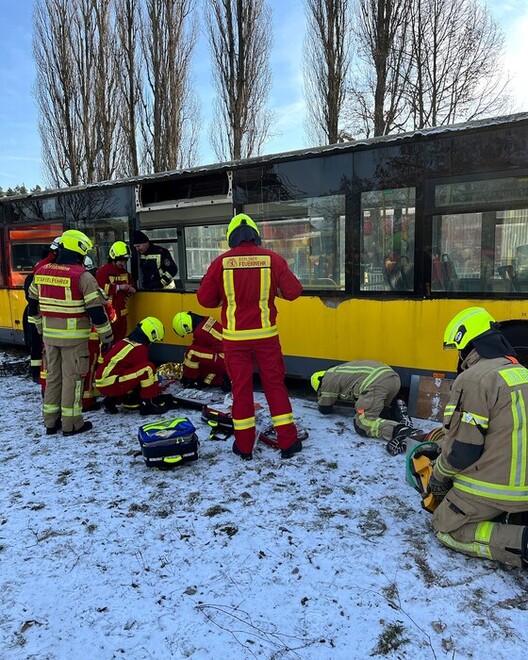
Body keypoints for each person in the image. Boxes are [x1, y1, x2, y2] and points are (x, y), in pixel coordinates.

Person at [426, 306, 528, 567]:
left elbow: (464, 451)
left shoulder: (473, 379)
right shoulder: (522, 373)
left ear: (468, 344)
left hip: (497, 491)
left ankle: (521, 541)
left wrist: (438, 476)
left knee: (445, 526)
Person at [197, 213, 303, 460]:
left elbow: (204, 299)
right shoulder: (273, 259)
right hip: (267, 337)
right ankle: (288, 443)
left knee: (241, 389)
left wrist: (225, 297)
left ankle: (244, 448)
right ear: (255, 235)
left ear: (231, 238)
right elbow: (294, 292)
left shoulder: (220, 263)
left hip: (235, 339)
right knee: (275, 386)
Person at [27, 229, 113, 436]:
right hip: (74, 341)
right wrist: (107, 336)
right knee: (73, 381)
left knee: (53, 378)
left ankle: (50, 422)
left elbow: (32, 305)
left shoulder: (41, 272)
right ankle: (72, 424)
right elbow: (96, 312)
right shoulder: (82, 277)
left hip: (50, 338)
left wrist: (40, 328)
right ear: (80, 251)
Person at [311, 361, 420, 455]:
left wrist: (320, 400)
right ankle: (397, 409)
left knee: (363, 422)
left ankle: (400, 431)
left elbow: (325, 407)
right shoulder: (338, 371)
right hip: (393, 379)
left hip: (376, 384)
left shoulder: (327, 380)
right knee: (380, 413)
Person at [94, 316, 173, 416]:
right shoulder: (139, 349)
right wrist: (154, 394)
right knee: (148, 368)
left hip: (103, 382)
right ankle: (148, 406)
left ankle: (110, 401)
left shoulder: (125, 342)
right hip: (112, 383)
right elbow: (144, 377)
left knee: (125, 373)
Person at [24, 236, 61, 383]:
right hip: (39, 314)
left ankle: (37, 373)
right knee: (39, 346)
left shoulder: (43, 264)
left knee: (38, 346)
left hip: (37, 313)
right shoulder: (45, 266)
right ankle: (37, 374)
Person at [172, 311, 229, 389]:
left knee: (191, 352)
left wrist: (186, 375)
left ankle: (190, 380)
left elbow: (195, 354)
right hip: (229, 356)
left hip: (225, 360)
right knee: (205, 374)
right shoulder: (207, 319)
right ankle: (223, 378)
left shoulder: (199, 333)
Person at [96, 241, 136, 343]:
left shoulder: (125, 273)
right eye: (121, 260)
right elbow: (99, 289)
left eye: (124, 261)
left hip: (122, 315)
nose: (123, 263)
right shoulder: (103, 271)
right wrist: (119, 287)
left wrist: (131, 289)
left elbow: (131, 285)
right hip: (108, 314)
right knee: (107, 342)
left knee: (120, 341)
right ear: (113, 258)